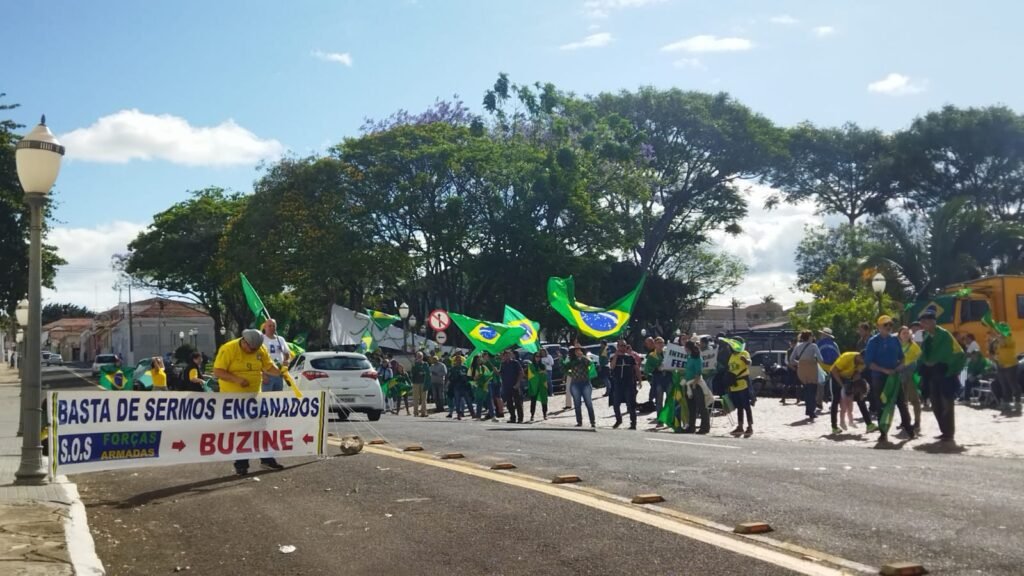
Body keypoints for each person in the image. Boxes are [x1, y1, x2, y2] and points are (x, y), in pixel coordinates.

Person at [212, 329, 285, 475]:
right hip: (234, 399)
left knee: (261, 428)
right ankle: (241, 464)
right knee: (241, 431)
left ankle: (267, 460)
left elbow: (268, 366)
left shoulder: (259, 349)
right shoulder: (228, 349)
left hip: (254, 396)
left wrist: (281, 372)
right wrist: (237, 380)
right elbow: (218, 371)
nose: (253, 351)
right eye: (251, 348)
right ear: (243, 341)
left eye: (256, 349)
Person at [919, 306, 965, 441]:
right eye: (922, 322)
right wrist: (926, 362)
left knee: (947, 405)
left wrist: (937, 361)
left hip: (945, 375)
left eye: (926, 322)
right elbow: (922, 354)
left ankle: (949, 433)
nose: (923, 324)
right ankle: (943, 430)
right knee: (935, 404)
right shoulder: (926, 337)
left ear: (933, 321)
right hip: (932, 376)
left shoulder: (944, 335)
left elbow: (956, 353)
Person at [864, 315, 912, 441]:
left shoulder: (895, 340)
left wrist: (900, 366)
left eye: (890, 324)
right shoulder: (873, 341)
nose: (889, 327)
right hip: (879, 377)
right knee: (881, 404)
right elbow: (869, 362)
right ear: (878, 326)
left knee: (901, 402)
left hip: (894, 377)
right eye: (885, 325)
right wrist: (884, 370)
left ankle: (908, 428)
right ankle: (883, 432)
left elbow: (902, 357)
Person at [828, 352, 878, 435]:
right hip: (836, 376)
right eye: (864, 360)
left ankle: (869, 425)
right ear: (859, 356)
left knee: (861, 400)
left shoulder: (864, 363)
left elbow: (857, 375)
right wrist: (842, 386)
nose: (864, 363)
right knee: (835, 400)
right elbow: (834, 370)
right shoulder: (847, 357)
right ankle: (834, 427)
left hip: (849, 377)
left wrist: (858, 390)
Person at [789, 330, 823, 422]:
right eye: (812, 336)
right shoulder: (813, 346)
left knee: (807, 390)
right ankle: (811, 412)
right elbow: (821, 359)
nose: (813, 338)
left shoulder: (797, 346)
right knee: (812, 390)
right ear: (809, 337)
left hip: (801, 370)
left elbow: (791, 360)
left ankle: (809, 410)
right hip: (812, 369)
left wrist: (800, 363)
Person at [610, 339, 640, 429]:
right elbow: (612, 366)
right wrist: (616, 355)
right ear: (618, 347)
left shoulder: (630, 357)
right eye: (621, 345)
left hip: (629, 383)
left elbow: (636, 369)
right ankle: (618, 420)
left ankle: (633, 423)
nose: (622, 347)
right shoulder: (613, 357)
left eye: (624, 345)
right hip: (618, 383)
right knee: (616, 404)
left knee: (631, 404)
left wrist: (640, 380)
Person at [897, 326, 923, 434]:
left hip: (911, 375)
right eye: (903, 333)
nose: (906, 334)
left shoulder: (914, 346)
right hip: (900, 375)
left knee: (915, 400)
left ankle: (917, 422)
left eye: (907, 333)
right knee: (903, 401)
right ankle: (905, 421)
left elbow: (919, 358)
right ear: (899, 335)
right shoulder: (896, 346)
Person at [682, 340, 710, 434]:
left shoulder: (697, 358)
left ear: (688, 348)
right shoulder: (689, 357)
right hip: (689, 384)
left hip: (696, 385)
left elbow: (698, 372)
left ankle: (705, 427)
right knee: (691, 407)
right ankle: (691, 427)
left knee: (701, 406)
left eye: (685, 347)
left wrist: (694, 384)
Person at [566, 345, 595, 428]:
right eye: (576, 351)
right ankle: (579, 421)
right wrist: (570, 374)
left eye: (579, 350)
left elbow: (590, 363)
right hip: (575, 383)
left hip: (585, 383)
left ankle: (592, 421)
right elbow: (565, 368)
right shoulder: (572, 361)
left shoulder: (585, 359)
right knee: (577, 403)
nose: (577, 352)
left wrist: (582, 356)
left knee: (588, 403)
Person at [727, 346, 754, 437]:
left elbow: (749, 362)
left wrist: (745, 360)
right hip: (734, 385)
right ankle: (740, 426)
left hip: (743, 384)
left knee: (746, 406)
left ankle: (749, 427)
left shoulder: (744, 353)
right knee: (739, 407)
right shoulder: (731, 356)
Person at [993, 331, 1022, 413]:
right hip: (1001, 365)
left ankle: (1017, 402)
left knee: (1012, 383)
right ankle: (1007, 402)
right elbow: (999, 352)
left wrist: (998, 338)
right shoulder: (999, 341)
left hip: (1011, 365)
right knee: (1004, 384)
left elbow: (1004, 344)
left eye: (1000, 332)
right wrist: (997, 358)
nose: (999, 333)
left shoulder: (1010, 340)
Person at [644, 337, 670, 423]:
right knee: (659, 400)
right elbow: (647, 370)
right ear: (655, 344)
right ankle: (660, 419)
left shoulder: (667, 353)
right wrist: (657, 369)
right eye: (658, 342)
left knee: (669, 399)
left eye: (662, 342)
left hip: (668, 379)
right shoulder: (652, 356)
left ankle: (666, 415)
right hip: (658, 380)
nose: (661, 344)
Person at [261, 319, 290, 393]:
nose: (272, 328)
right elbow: (257, 358)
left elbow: (287, 353)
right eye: (269, 326)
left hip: (279, 375)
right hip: (267, 375)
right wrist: (262, 374)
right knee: (266, 400)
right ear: (265, 327)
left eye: (273, 326)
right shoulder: (261, 339)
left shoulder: (281, 339)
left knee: (277, 399)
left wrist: (286, 361)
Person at [499, 350, 525, 424]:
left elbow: (521, 373)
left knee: (517, 402)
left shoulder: (515, 363)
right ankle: (512, 418)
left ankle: (520, 418)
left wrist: (518, 383)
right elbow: (500, 373)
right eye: (505, 355)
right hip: (506, 386)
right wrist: (496, 371)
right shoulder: (503, 364)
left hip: (514, 385)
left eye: (508, 355)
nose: (507, 356)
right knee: (509, 403)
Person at [447, 353, 474, 420]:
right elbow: (450, 378)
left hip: (465, 387)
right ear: (455, 361)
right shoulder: (453, 369)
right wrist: (455, 378)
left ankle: (472, 413)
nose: (458, 361)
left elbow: (469, 376)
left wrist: (467, 379)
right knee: (457, 402)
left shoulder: (465, 368)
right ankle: (459, 414)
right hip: (457, 387)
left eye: (459, 359)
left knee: (468, 401)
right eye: (457, 360)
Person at [526, 351, 549, 421]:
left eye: (539, 357)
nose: (538, 358)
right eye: (536, 356)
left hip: (542, 384)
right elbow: (531, 375)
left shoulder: (543, 365)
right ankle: (532, 415)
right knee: (533, 400)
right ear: (534, 357)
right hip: (534, 385)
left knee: (544, 399)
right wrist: (540, 372)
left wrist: (542, 372)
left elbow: (545, 373)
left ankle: (545, 414)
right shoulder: (531, 365)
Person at [410, 352, 431, 417]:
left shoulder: (425, 364)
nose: (419, 357)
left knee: (424, 399)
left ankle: (423, 412)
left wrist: (423, 373)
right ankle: (415, 412)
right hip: (416, 383)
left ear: (422, 357)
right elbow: (412, 373)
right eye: (418, 356)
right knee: (416, 398)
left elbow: (428, 373)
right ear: (416, 356)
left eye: (420, 356)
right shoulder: (414, 364)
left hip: (423, 383)